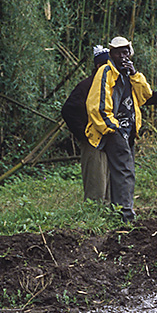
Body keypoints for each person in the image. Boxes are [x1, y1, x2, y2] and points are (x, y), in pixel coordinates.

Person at [85, 36, 157, 222]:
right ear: (111, 54)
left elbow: (145, 95)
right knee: (125, 170)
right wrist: (112, 127)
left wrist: (135, 74)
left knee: (120, 171)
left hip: (129, 131)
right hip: (115, 128)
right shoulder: (105, 71)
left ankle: (117, 211)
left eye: (125, 52)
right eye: (118, 52)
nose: (123, 56)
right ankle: (126, 214)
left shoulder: (130, 74)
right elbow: (97, 103)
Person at [61, 45, 112, 202]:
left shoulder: (110, 84)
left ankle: (109, 213)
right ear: (99, 66)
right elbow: (68, 111)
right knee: (96, 183)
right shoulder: (86, 86)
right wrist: (84, 134)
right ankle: (93, 218)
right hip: (92, 140)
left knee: (109, 181)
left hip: (109, 139)